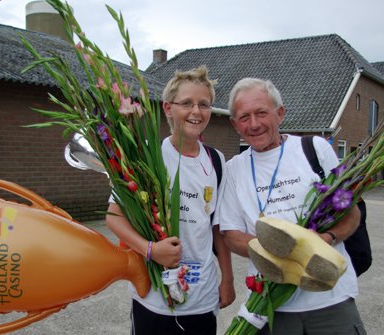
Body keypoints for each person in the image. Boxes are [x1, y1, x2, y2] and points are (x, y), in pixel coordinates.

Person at [215, 78, 367, 334]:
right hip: (271, 307)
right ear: (234, 124)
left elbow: (352, 211)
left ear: (280, 113)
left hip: (331, 300)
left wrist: (326, 238)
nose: (254, 124)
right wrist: (277, 251)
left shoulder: (314, 149)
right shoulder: (233, 170)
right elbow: (230, 235)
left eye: (262, 113)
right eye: (244, 117)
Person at [106, 65, 235, 335]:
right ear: (167, 108)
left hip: (202, 298)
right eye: (186, 103)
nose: (196, 112)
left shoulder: (217, 161)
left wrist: (228, 278)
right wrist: (151, 249)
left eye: (204, 104)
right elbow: (114, 216)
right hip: (153, 300)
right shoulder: (145, 156)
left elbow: (216, 228)